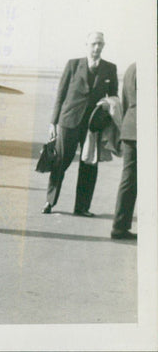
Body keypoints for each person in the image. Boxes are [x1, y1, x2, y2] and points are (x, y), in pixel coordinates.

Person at [42, 32, 118, 216]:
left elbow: (114, 97)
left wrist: (106, 109)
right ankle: (49, 202)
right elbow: (60, 95)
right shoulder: (73, 65)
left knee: (89, 164)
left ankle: (82, 207)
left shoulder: (110, 68)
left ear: (104, 46)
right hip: (68, 122)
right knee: (61, 161)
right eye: (93, 44)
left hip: (93, 125)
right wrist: (53, 123)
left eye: (100, 44)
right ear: (86, 45)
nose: (96, 48)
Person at [111, 62, 137, 239]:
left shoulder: (131, 68)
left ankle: (119, 227)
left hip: (130, 128)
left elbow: (126, 100)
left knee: (129, 179)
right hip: (145, 129)